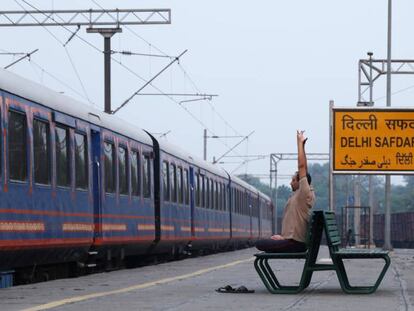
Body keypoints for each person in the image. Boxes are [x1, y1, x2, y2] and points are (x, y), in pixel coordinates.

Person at [256, 130, 315, 253]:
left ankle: (281, 240)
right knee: (266, 241)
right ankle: (282, 239)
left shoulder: (303, 193)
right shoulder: (303, 194)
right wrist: (282, 238)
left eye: (293, 180)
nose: (290, 182)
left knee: (259, 243)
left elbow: (302, 167)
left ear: (301, 182)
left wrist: (299, 144)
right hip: (292, 241)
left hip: (294, 244)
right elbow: (304, 171)